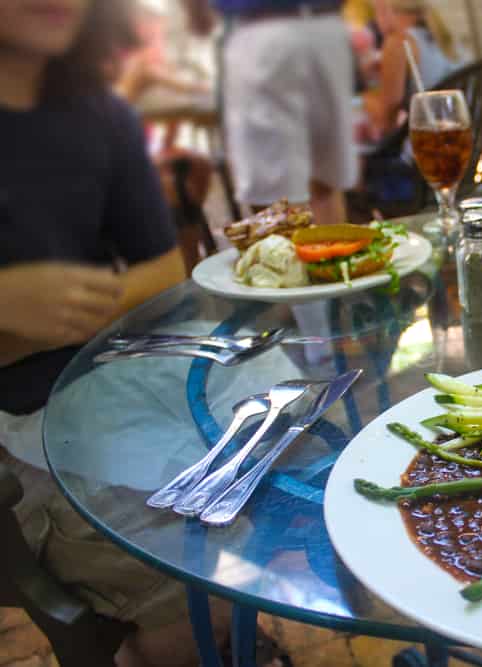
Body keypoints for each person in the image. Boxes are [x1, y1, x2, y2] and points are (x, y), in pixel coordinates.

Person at [0, 0, 229, 665]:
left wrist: (32, 324)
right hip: (23, 446)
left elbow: (162, 271)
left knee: (283, 492)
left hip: (113, 394)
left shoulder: (99, 113)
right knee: (198, 586)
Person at [200, 0, 357, 226]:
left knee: (275, 195)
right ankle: (333, 257)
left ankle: (299, 258)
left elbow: (199, 21)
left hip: (262, 29)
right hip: (326, 26)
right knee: (325, 185)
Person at [362, 0, 466, 138]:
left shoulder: (398, 42)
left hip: (429, 147)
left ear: (386, 9)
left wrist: (361, 98)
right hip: (466, 142)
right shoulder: (444, 34)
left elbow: (386, 122)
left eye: (376, 11)